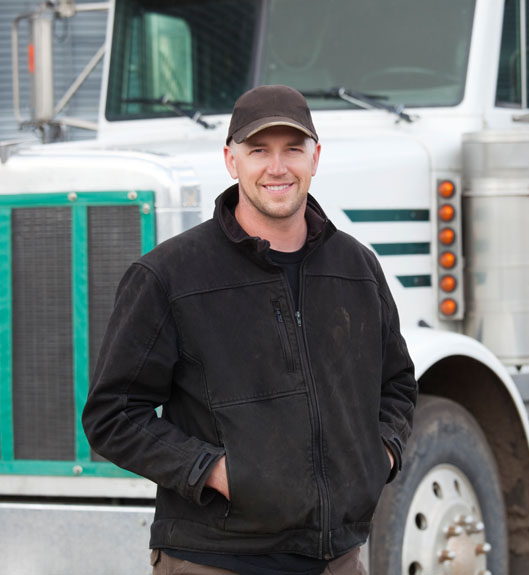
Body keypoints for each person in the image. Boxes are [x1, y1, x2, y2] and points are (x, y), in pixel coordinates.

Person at [82, 84, 417, 575]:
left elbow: (398, 385)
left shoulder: (357, 267)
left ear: (315, 158)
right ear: (231, 159)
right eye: (259, 150)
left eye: (293, 150)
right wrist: (211, 470)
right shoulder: (170, 275)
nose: (277, 167)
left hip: (337, 558)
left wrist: (379, 456)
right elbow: (112, 415)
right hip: (215, 558)